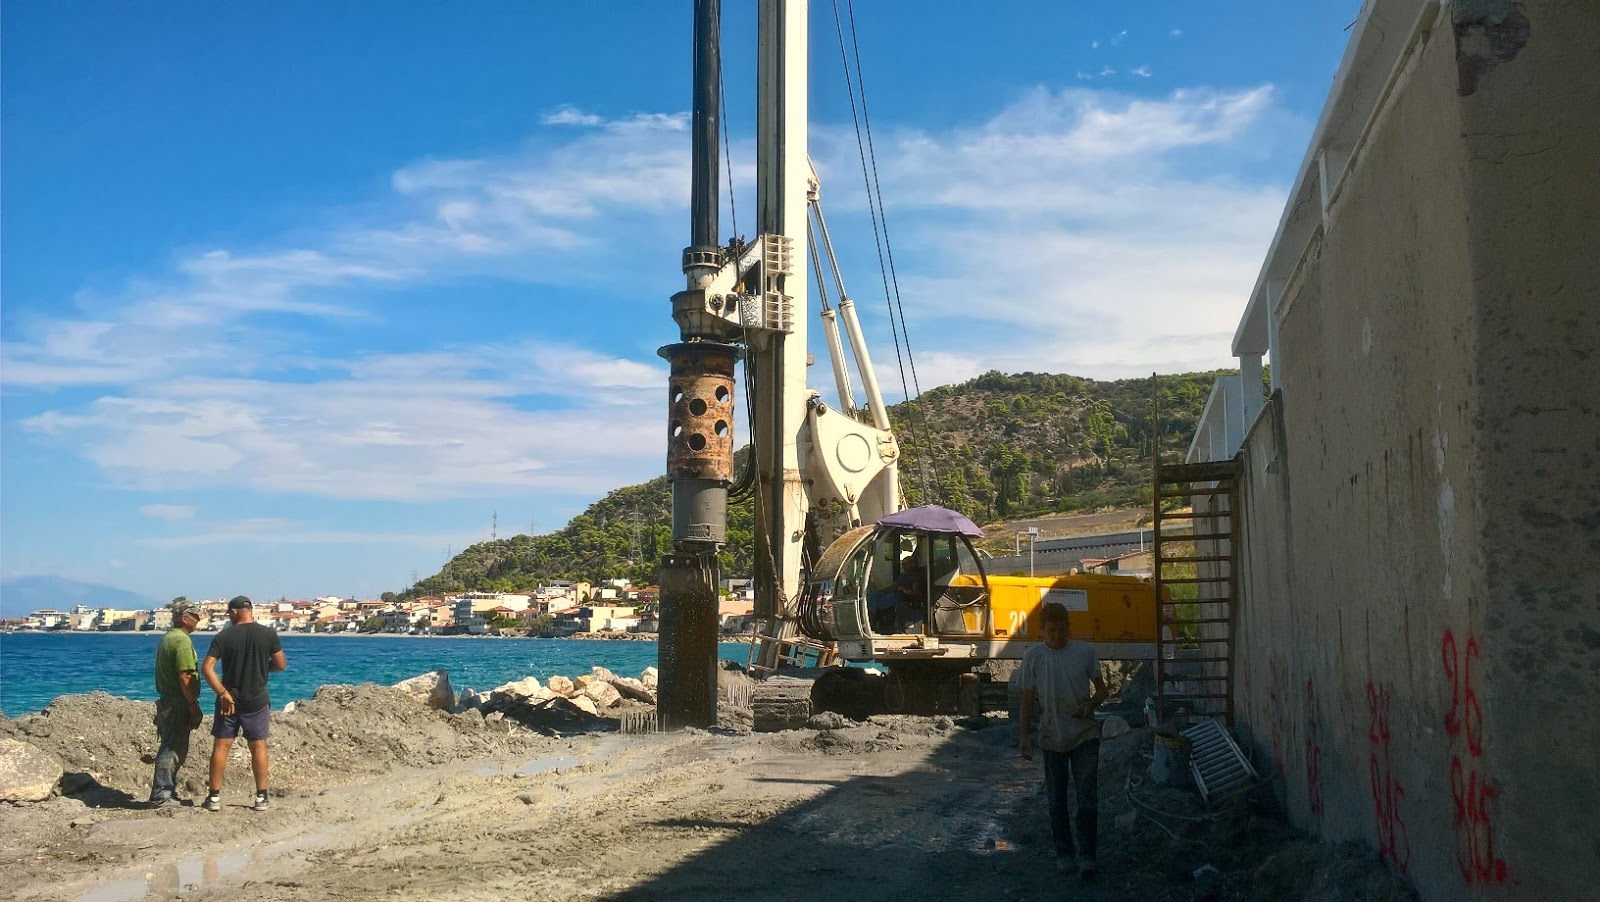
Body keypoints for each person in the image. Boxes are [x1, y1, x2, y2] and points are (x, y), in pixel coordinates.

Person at [1017, 602, 1109, 879]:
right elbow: (1027, 699)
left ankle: (1088, 856)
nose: (1056, 636)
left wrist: (1089, 705)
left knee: (1086, 798)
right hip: (1051, 735)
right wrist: (1024, 736)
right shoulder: (1033, 657)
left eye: (1060, 630)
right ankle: (1064, 853)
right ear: (1042, 631)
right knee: (1056, 799)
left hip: (1084, 734)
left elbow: (1102, 691)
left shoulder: (1085, 653)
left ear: (1069, 628)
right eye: (1051, 631)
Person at [200, 596, 286, 812]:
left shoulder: (223, 636)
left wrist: (222, 693)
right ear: (250, 610)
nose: (229, 616)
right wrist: (262, 668)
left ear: (235, 611)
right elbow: (280, 664)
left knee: (221, 746)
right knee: (258, 746)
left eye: (229, 613)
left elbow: (207, 668)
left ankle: (214, 797)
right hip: (257, 699)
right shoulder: (268, 634)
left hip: (228, 700)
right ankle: (261, 797)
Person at [148, 600, 205, 807]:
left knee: (172, 746)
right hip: (177, 701)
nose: (198, 619)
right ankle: (162, 794)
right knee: (172, 748)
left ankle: (166, 791)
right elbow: (185, 676)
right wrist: (193, 704)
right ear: (184, 618)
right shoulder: (181, 641)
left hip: (168, 699)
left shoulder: (168, 638)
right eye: (195, 616)